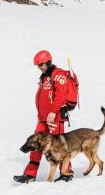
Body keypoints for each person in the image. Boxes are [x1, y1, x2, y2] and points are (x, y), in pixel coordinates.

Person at [13, 50, 72, 183]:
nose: (39, 68)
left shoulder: (58, 75)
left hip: (55, 117)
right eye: (38, 66)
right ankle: (30, 174)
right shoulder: (45, 76)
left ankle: (66, 173)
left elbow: (60, 95)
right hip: (43, 118)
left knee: (58, 147)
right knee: (34, 143)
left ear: (48, 62)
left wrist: (53, 111)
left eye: (40, 65)